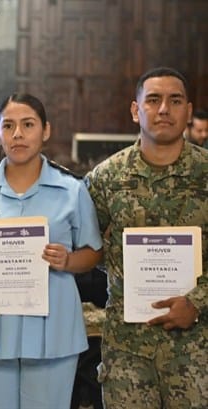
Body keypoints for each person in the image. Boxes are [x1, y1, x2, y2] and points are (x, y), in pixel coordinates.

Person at [0, 93, 103, 409]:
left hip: (52, 328)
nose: (18, 134)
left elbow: (93, 252)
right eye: (9, 126)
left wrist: (69, 260)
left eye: (28, 125)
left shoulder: (72, 190)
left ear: (45, 131)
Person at [85, 67, 207, 408]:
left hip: (198, 347)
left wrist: (197, 301)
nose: (164, 109)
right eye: (153, 100)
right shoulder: (107, 178)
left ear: (188, 110)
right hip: (127, 350)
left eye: (175, 100)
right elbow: (85, 247)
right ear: (136, 110)